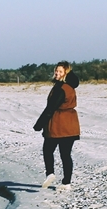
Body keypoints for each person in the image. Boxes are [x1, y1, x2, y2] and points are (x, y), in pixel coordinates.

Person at [33, 61, 80, 191]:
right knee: (66, 154)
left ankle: (50, 173)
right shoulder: (70, 87)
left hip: (58, 124)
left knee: (48, 150)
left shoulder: (62, 88)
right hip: (71, 124)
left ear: (66, 73)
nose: (57, 73)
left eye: (60, 71)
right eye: (56, 71)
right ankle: (66, 183)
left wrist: (39, 124)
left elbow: (51, 108)